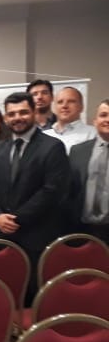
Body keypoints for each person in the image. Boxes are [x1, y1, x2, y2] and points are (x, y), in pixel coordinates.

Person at [0, 92, 70, 301]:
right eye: (12, 114)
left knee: (34, 298)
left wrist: (17, 218)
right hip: (2, 235)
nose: (17, 118)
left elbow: (52, 191)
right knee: (4, 295)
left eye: (23, 112)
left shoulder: (52, 147)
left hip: (36, 237)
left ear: (33, 112)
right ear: (6, 118)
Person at [67, 99, 109, 243]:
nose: (107, 119)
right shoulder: (78, 151)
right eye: (103, 115)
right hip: (81, 229)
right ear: (95, 121)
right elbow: (68, 191)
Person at [45, 86, 96, 152]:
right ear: (54, 107)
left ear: (81, 106)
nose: (64, 106)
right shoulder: (44, 136)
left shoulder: (94, 134)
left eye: (71, 101)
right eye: (60, 102)